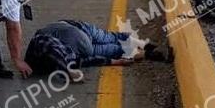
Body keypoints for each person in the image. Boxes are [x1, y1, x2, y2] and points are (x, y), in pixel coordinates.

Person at [25, 20, 167, 80]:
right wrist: (114, 63)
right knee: (111, 37)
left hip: (81, 43)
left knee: (113, 49)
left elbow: (51, 47)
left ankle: (144, 53)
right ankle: (145, 46)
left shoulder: (38, 50)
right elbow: (81, 60)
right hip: (82, 29)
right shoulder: (44, 35)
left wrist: (68, 72)